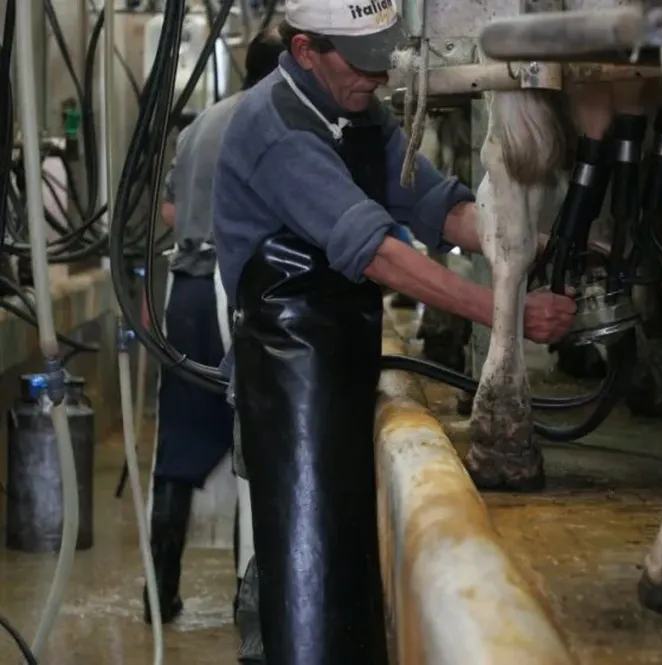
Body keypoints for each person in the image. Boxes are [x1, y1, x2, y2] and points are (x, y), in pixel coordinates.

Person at [210, 0, 578, 662]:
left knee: (341, 562)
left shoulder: (359, 112)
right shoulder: (278, 127)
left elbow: (439, 207)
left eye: (386, 60)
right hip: (285, 376)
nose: (380, 78)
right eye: (364, 64)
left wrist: (532, 244)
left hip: (339, 361)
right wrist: (504, 310)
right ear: (305, 53)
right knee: (302, 576)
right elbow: (377, 251)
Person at [146, 27, 284, 626]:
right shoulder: (268, 122)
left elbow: (169, 207)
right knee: (253, 446)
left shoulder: (199, 124)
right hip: (237, 298)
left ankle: (160, 598)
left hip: (187, 296)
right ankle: (248, 605)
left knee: (178, 440)